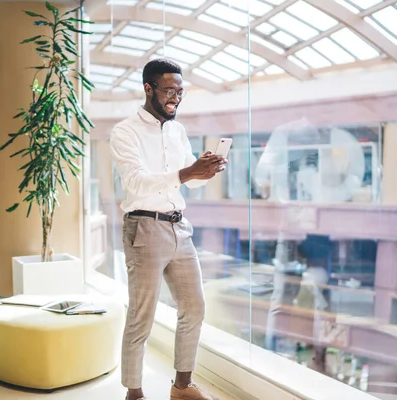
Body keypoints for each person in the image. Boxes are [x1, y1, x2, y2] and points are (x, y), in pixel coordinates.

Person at [110, 58, 227, 400]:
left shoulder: (177, 130)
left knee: (194, 307)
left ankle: (182, 386)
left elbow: (188, 184)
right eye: (169, 90)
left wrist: (204, 170)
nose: (176, 97)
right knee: (141, 316)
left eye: (180, 91)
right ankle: (134, 393)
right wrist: (187, 173)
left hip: (180, 228)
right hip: (144, 227)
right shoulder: (125, 131)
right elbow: (136, 182)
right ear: (149, 89)